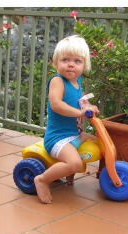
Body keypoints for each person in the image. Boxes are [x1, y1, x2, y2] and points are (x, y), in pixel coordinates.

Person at [34, 35, 99, 204]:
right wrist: (80, 113)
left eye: (77, 61)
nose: (71, 64)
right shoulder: (57, 81)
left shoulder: (77, 81)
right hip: (58, 139)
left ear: (84, 65)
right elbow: (57, 104)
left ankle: (78, 173)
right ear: (56, 62)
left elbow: (81, 100)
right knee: (75, 163)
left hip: (74, 135)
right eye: (65, 60)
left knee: (99, 142)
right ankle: (42, 180)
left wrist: (88, 106)